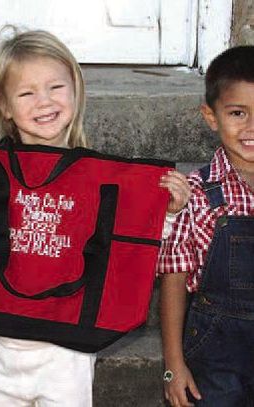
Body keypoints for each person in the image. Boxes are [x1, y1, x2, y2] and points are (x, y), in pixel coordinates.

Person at [0, 27, 190, 406]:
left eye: (55, 87)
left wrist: (168, 212)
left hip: (70, 351)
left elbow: (129, 246)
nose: (43, 101)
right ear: (4, 104)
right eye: (27, 92)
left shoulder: (100, 180)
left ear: (76, 90)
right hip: (2, 343)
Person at [158, 45, 254, 407]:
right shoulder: (195, 193)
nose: (251, 128)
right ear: (211, 116)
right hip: (216, 353)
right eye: (237, 113)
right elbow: (173, 278)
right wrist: (173, 366)